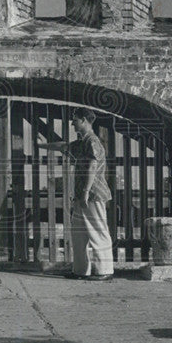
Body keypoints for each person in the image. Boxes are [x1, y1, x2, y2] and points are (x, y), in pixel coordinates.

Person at [39, 107, 114, 281]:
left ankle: (105, 270)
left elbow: (92, 167)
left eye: (75, 119)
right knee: (79, 234)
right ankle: (81, 270)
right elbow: (63, 146)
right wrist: (41, 144)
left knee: (98, 231)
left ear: (84, 120)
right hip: (83, 195)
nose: (72, 122)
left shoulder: (92, 141)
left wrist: (86, 192)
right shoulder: (82, 143)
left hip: (93, 194)